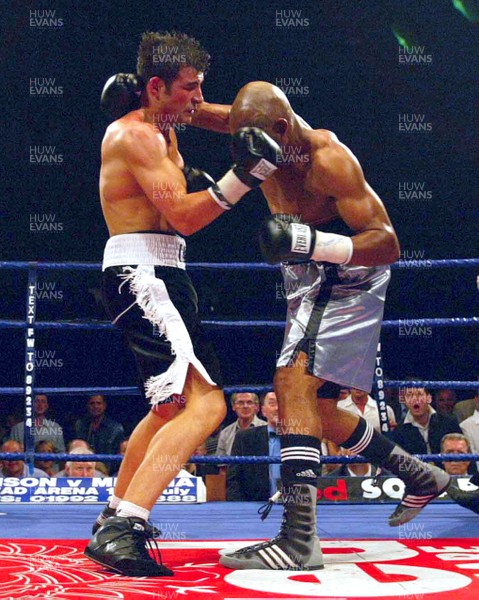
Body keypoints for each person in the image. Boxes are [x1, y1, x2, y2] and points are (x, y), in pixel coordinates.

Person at [219, 81, 451, 571]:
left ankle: (299, 539)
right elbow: (216, 117)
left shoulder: (328, 159)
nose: (250, 154)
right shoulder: (258, 132)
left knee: (292, 382)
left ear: (282, 129)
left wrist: (310, 242)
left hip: (344, 273)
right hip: (305, 275)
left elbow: (387, 243)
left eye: (259, 140)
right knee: (317, 410)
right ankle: (419, 475)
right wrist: (164, 109)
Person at [85, 32, 280, 578]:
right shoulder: (137, 137)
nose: (198, 98)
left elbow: (224, 118)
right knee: (208, 406)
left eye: (200, 87)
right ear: (155, 88)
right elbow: (186, 218)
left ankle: (111, 519)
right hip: (144, 273)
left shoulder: (166, 122)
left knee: (170, 407)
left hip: (164, 271)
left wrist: (274, 120)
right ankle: (127, 525)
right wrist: (245, 177)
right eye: (189, 89)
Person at [227, 391, 280, 501]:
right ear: (263, 411)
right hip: (254, 506)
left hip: (294, 505)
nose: (277, 408)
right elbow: (234, 479)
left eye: (282, 403)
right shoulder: (245, 437)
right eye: (272, 403)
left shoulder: (301, 439)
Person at [391, 387, 462, 455]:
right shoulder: (399, 431)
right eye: (409, 395)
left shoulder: (449, 422)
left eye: (419, 394)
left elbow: (462, 451)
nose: (415, 399)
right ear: (404, 401)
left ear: (429, 398)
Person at [74, 394, 125, 460]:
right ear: (87, 406)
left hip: (108, 468)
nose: (95, 406)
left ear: (104, 406)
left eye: (98, 403)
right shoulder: (80, 425)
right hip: (85, 466)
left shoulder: (116, 428)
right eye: (92, 403)